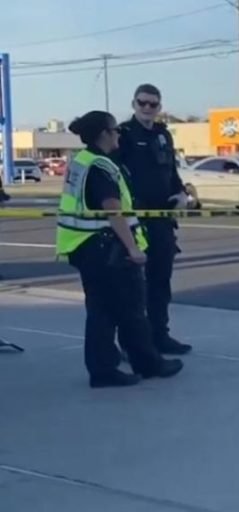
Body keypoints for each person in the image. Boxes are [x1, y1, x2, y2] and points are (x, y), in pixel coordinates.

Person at [56, 110, 184, 388]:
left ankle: (104, 370)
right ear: (103, 134)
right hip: (105, 248)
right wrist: (133, 248)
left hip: (84, 247)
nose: (118, 135)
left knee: (102, 312)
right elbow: (113, 209)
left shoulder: (82, 161)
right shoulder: (101, 166)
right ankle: (147, 364)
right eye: (114, 131)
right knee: (130, 309)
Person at [115, 84, 192, 355]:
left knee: (160, 282)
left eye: (153, 104)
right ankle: (132, 344)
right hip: (135, 219)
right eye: (142, 103)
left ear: (159, 107)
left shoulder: (162, 135)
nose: (147, 108)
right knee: (132, 286)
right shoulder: (123, 135)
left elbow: (171, 171)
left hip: (161, 218)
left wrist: (181, 192)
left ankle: (160, 335)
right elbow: (115, 175)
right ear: (133, 103)